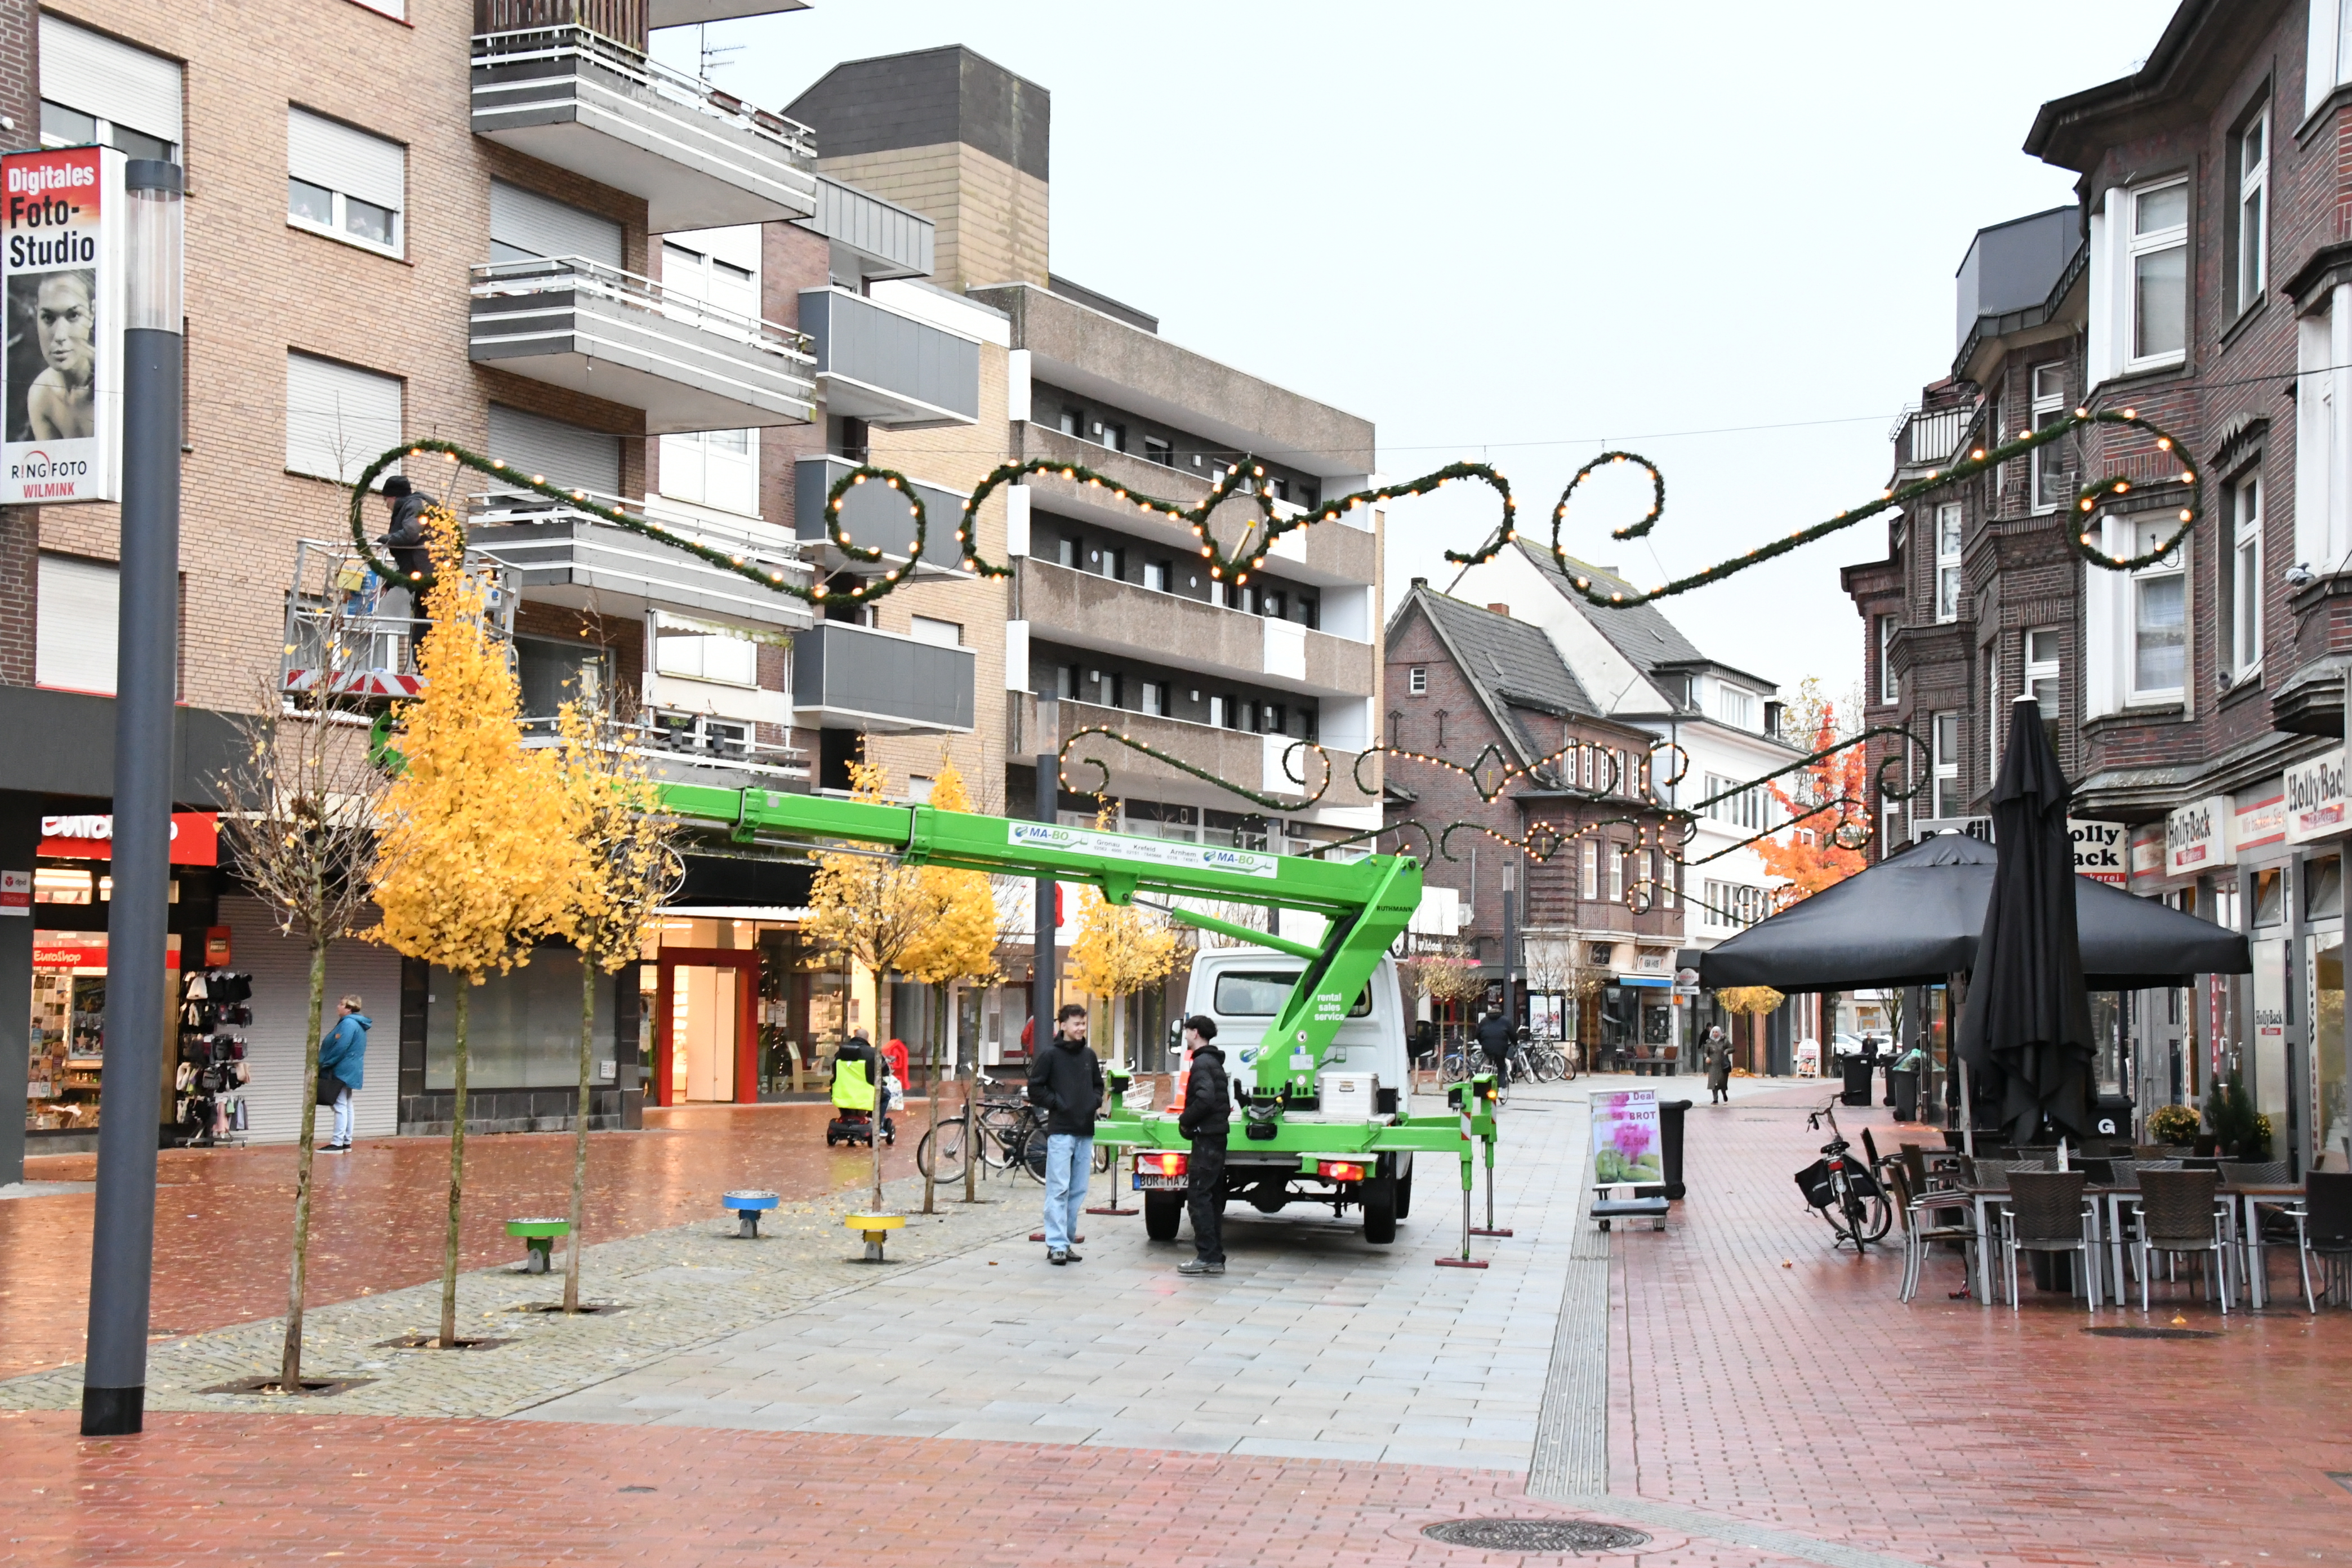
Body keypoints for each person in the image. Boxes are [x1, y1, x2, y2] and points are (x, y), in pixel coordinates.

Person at [1027, 1002, 1103, 1265]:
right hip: (1061, 1132)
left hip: (1085, 1131)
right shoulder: (1050, 1056)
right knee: (1058, 1188)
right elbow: (1035, 1088)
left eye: (1083, 1023)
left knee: (1078, 1190)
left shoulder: (1089, 1056)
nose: (1081, 1028)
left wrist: (1093, 1102)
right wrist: (1059, 1104)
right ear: (1063, 1026)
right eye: (1076, 1024)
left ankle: (1066, 1241)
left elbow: (1098, 1085)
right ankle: (1057, 1244)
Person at [1174, 1015, 1229, 1277]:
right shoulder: (1215, 1062)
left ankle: (1207, 1256)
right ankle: (1214, 1256)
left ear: (1195, 1032)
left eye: (1186, 1031)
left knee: (1198, 1198)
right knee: (1212, 1198)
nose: (1185, 1036)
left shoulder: (1202, 1064)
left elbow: (1205, 1099)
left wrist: (1185, 1120)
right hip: (1217, 1136)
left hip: (1206, 1139)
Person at [26, 270, 95, 441]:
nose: (59, 336)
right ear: (37, 316)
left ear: (92, 313)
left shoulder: (118, 384)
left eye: (73, 316)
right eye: (48, 318)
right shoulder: (42, 393)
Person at [317, 995, 370, 1153]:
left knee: (340, 1105)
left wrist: (325, 1064)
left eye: (341, 1004)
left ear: (349, 1008)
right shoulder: (358, 1024)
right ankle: (346, 1141)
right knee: (347, 1105)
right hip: (351, 1069)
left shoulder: (348, 1024)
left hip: (341, 1070)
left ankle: (337, 1142)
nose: (338, 1006)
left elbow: (340, 1048)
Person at [378, 475, 431, 589]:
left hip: (425, 571)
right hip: (419, 570)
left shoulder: (414, 506)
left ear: (393, 497)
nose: (386, 505)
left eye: (385, 500)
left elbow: (411, 535)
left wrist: (385, 539)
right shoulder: (411, 506)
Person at [830, 1028, 883, 1138]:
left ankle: (846, 1117)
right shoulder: (872, 1053)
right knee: (885, 1095)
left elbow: (835, 1072)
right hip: (865, 1095)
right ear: (867, 1039)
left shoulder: (840, 1052)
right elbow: (885, 1071)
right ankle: (877, 1123)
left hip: (842, 1093)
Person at [1473, 1006, 1514, 1084]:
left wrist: (1482, 1043)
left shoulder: (1484, 1021)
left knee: (1489, 1058)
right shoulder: (1505, 1021)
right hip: (1501, 1048)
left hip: (1487, 1048)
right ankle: (1501, 1090)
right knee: (1501, 1068)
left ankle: (1487, 1080)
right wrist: (1514, 1042)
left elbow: (1477, 1034)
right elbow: (1512, 1034)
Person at [1703, 1024, 1733, 1104]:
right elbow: (1706, 1052)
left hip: (1722, 1064)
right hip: (1713, 1065)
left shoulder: (1725, 1041)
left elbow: (1732, 1048)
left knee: (1722, 1082)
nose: (1715, 1034)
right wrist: (1707, 1058)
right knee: (1713, 1083)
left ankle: (1724, 1094)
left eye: (1716, 1032)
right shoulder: (1709, 1042)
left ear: (1719, 1033)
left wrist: (1727, 1051)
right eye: (1713, 1032)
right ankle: (1715, 1099)